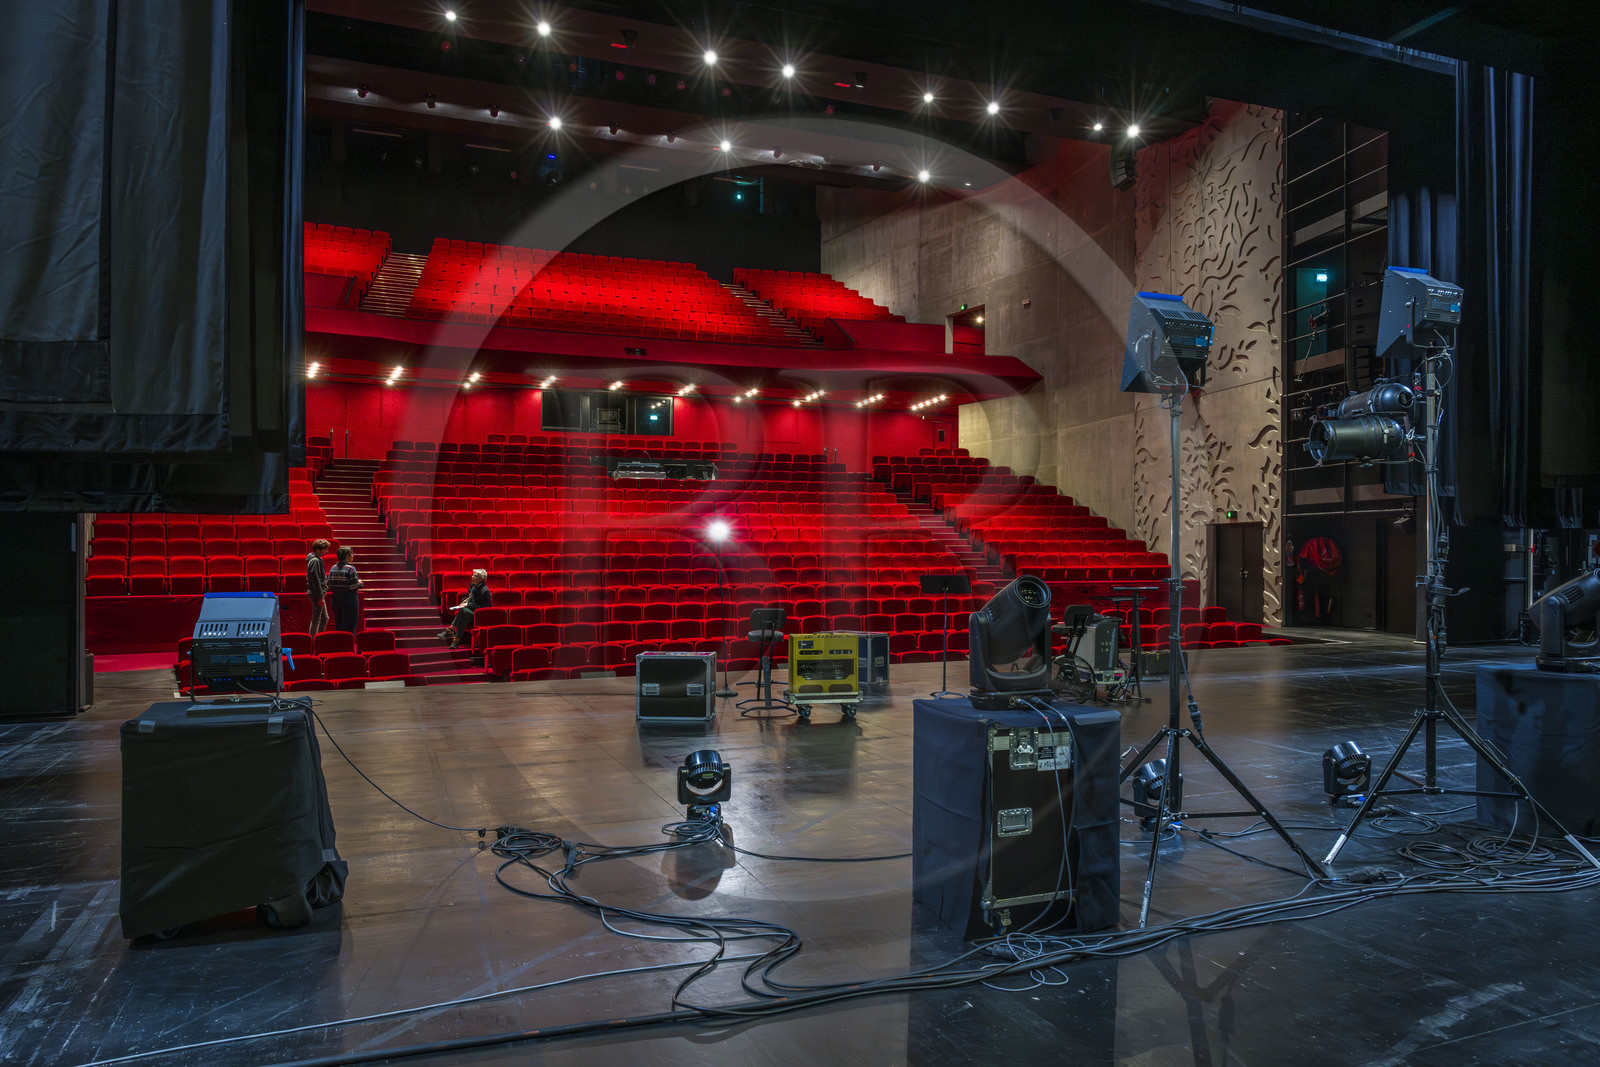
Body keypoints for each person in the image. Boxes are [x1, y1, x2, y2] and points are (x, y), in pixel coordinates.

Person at [440, 568, 491, 649]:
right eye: (473, 575)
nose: (472, 577)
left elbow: (484, 609)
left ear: (481, 579)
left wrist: (468, 604)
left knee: (464, 611)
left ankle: (450, 631)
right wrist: (466, 601)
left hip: (480, 616)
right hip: (473, 612)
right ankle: (455, 641)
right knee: (463, 615)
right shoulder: (475, 587)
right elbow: (473, 599)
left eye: (475, 576)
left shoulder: (485, 591)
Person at [326, 546, 363, 633]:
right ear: (347, 555)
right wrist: (360, 583)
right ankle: (349, 640)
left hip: (336, 598)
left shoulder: (333, 568)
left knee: (339, 623)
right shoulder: (350, 568)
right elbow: (354, 587)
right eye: (352, 553)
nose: (353, 555)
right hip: (349, 599)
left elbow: (329, 584)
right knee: (350, 623)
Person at [306, 539, 330, 636]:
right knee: (317, 619)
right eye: (325, 549)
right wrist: (320, 596)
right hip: (317, 593)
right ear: (318, 550)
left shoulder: (317, 559)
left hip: (318, 593)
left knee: (324, 618)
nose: (326, 552)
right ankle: (314, 639)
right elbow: (315, 579)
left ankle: (319, 637)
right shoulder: (315, 561)